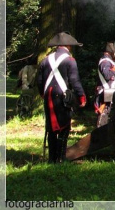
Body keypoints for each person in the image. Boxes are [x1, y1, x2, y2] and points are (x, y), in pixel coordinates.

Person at [37, 31, 86, 163]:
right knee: (64, 127)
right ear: (68, 46)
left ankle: (52, 158)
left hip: (48, 97)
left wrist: (43, 94)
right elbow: (75, 81)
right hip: (62, 98)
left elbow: (40, 81)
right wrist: (81, 97)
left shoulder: (45, 60)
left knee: (51, 128)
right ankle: (61, 157)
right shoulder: (70, 60)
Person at [94, 42, 115, 126]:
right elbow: (107, 75)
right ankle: (100, 133)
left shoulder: (109, 61)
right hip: (104, 92)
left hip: (109, 91)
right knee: (103, 115)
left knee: (106, 114)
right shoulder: (105, 61)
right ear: (111, 52)